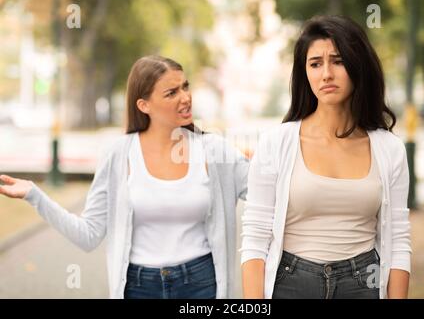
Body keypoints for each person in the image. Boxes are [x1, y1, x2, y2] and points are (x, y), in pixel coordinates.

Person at [0, 55, 248, 299]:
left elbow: (269, 193)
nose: (185, 98)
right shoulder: (118, 154)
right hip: (138, 288)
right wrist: (35, 196)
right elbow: (88, 235)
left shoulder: (215, 150)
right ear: (144, 105)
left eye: (185, 87)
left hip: (201, 284)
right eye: (171, 93)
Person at [240, 16, 411, 299]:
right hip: (291, 282)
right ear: (304, 72)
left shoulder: (389, 148)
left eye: (338, 61)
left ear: (359, 65)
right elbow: (255, 239)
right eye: (315, 63)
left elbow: (399, 240)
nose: (326, 74)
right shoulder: (276, 143)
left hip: (363, 282)